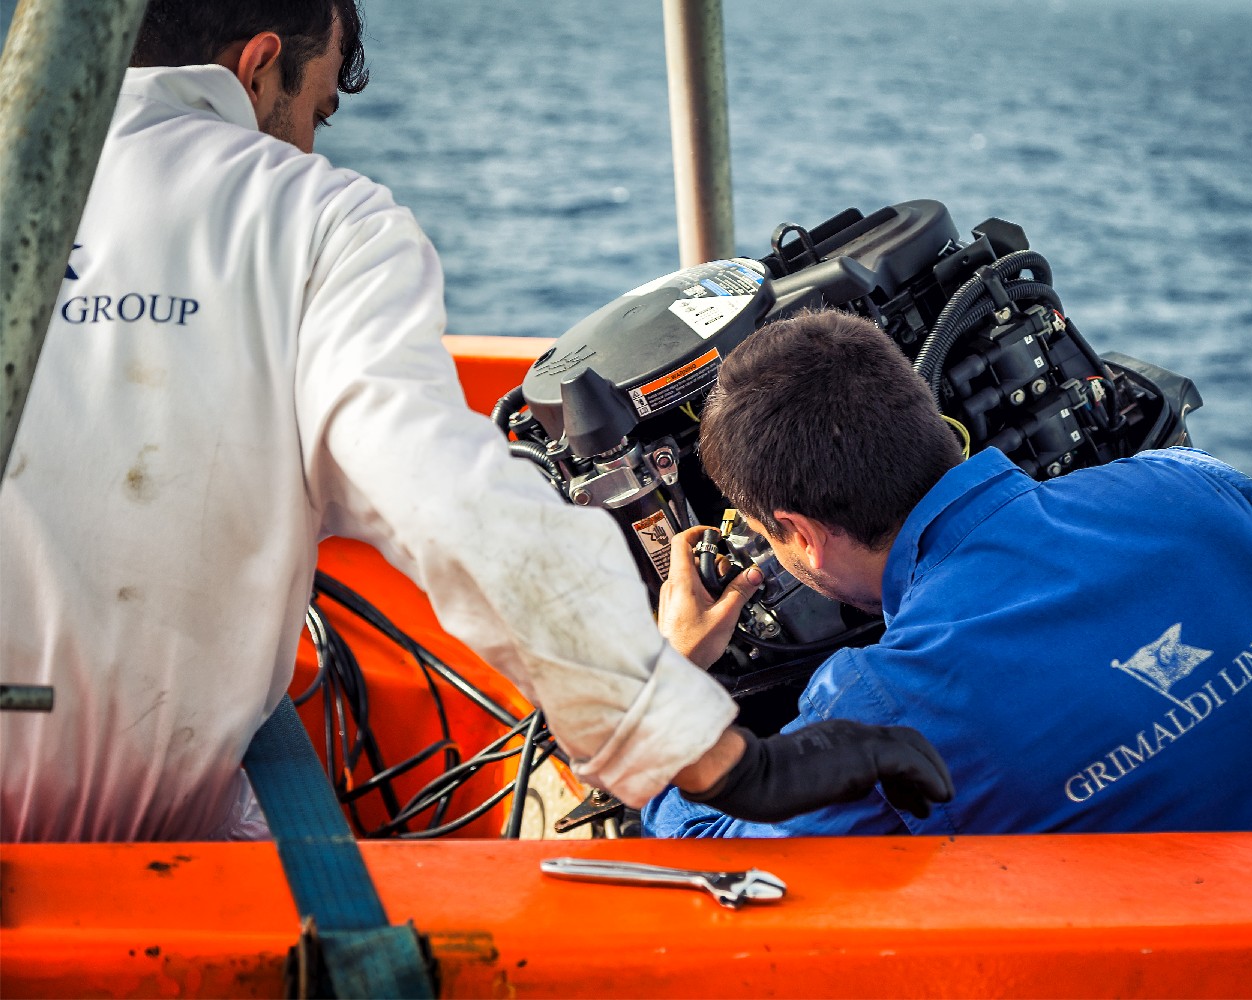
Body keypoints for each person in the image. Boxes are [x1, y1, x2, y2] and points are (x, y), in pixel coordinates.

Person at [0, 1, 951, 842]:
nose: (308, 150)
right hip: (156, 846)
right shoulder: (320, 220)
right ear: (257, 67)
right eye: (315, 112)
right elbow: (438, 499)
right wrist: (720, 757)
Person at [647, 309, 1252, 837]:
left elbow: (707, 853)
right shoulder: (1203, 488)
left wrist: (672, 681)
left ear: (803, 539)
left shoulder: (885, 698)